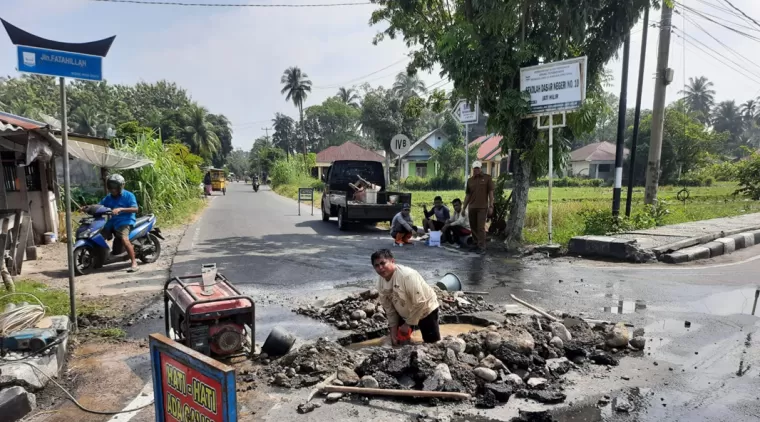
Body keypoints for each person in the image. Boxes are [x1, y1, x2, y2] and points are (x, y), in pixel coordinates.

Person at [371, 249, 440, 345]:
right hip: (405, 310)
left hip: (426, 309)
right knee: (398, 342)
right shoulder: (380, 283)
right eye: (377, 266)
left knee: (432, 344)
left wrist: (408, 324)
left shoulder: (407, 275)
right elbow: (389, 309)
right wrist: (393, 330)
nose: (381, 268)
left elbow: (421, 302)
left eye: (383, 263)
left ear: (392, 261)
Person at [92, 174, 139, 272]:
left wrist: (121, 209)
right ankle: (99, 259)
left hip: (126, 221)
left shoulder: (129, 195)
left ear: (120, 186)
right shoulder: (109, 197)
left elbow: (135, 209)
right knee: (98, 237)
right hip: (113, 222)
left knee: (124, 239)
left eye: (115, 187)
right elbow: (99, 205)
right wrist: (88, 207)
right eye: (111, 187)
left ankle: (134, 262)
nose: (113, 190)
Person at [462, 161, 494, 254]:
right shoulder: (470, 180)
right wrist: (464, 208)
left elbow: (491, 193)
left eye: (477, 168)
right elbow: (468, 195)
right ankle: (476, 243)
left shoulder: (487, 178)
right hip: (472, 207)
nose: (476, 170)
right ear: (472, 169)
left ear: (481, 168)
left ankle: (482, 246)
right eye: (474, 168)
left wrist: (491, 205)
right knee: (473, 227)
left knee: (481, 227)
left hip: (482, 207)